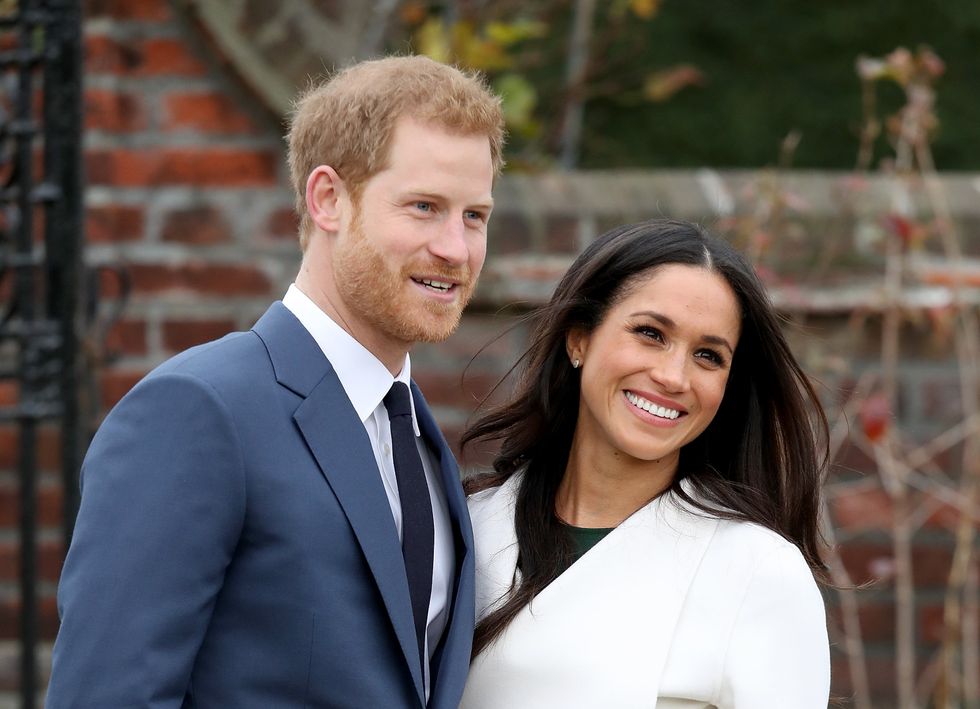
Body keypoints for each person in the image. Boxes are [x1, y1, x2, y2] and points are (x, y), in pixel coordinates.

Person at [47, 55, 504, 708]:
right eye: (424, 207)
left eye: (475, 216)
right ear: (327, 199)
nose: (456, 249)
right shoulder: (198, 410)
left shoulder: (422, 442)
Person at [458, 219, 830, 708]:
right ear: (579, 339)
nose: (673, 376)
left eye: (708, 356)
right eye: (651, 333)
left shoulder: (756, 572)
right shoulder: (466, 527)